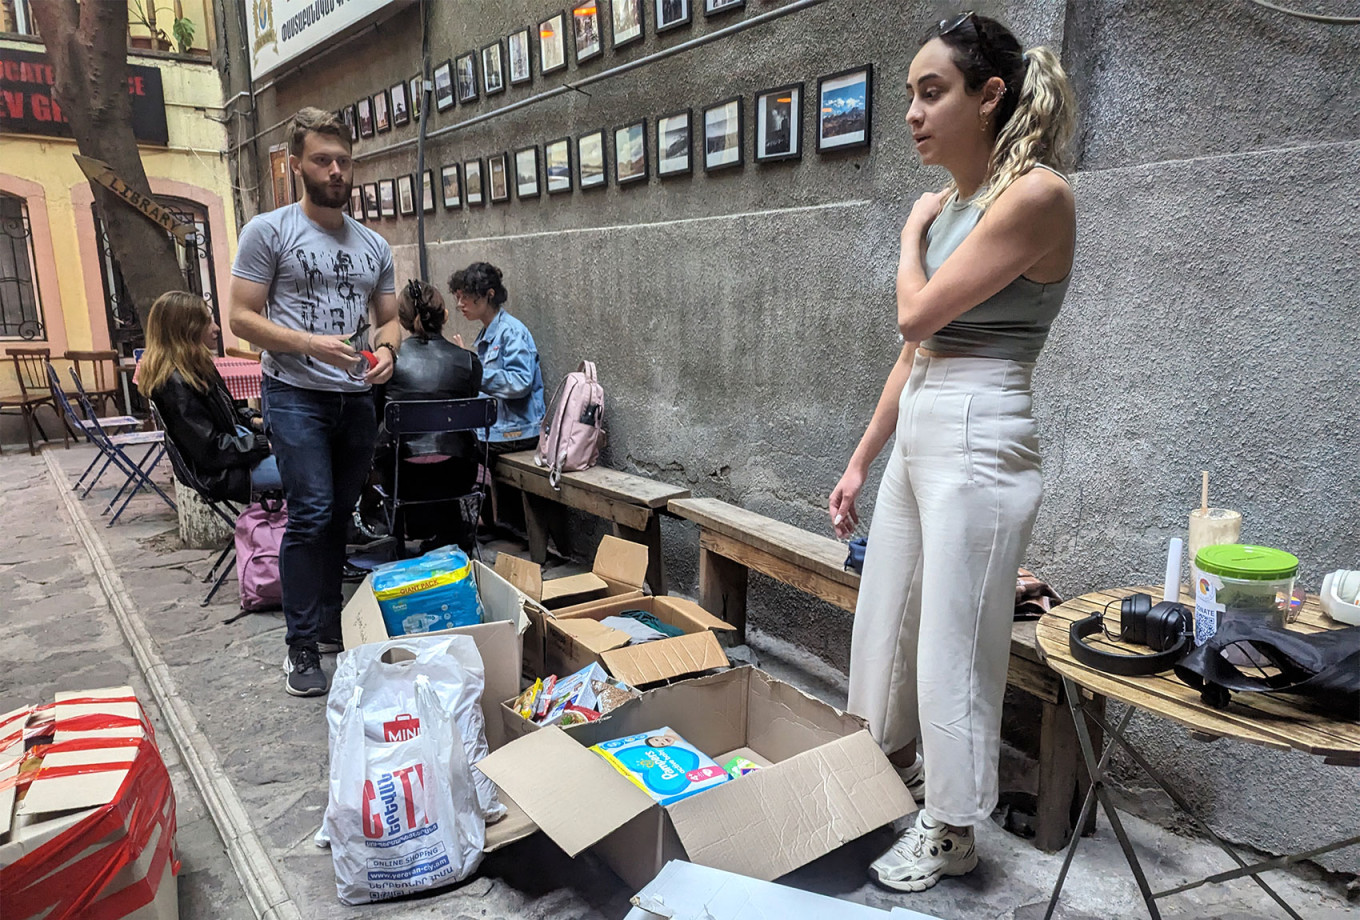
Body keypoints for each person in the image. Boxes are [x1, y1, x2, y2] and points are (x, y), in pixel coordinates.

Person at [827, 13, 1077, 892]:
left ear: (990, 96)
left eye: (932, 92)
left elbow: (915, 315)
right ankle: (884, 772)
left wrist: (906, 238)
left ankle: (953, 826)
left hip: (982, 423)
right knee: (885, 616)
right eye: (910, 95)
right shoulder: (953, 205)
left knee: (955, 641)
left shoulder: (1037, 194)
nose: (912, 113)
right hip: (930, 413)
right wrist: (862, 457)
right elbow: (913, 354)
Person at [227, 107, 400, 698]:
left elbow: (390, 319)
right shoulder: (269, 232)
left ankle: (329, 623)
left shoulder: (374, 244)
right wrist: (309, 345)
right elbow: (240, 318)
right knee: (311, 511)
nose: (335, 171)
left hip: (356, 399)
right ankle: (301, 646)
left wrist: (388, 354)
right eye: (323, 160)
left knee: (338, 515)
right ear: (296, 164)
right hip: (294, 391)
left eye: (344, 161)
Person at [139, 291, 279, 500]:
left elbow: (231, 411)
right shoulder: (174, 384)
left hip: (236, 455)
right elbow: (210, 450)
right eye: (207, 322)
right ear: (187, 330)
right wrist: (261, 445)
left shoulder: (197, 367)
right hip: (223, 473)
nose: (216, 328)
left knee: (314, 457)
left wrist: (256, 420)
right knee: (311, 472)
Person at [376, 279, 484, 550]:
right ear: (444, 315)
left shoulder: (389, 364)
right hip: (458, 475)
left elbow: (376, 416)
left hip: (403, 477)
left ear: (401, 321)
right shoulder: (469, 362)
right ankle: (449, 537)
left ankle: (398, 540)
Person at [448, 262, 545, 453]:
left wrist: (474, 372)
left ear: (489, 294)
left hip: (517, 433)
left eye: (466, 297)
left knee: (459, 451)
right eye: (459, 298)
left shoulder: (511, 331)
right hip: (495, 432)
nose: (460, 305)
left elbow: (520, 382)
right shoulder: (488, 334)